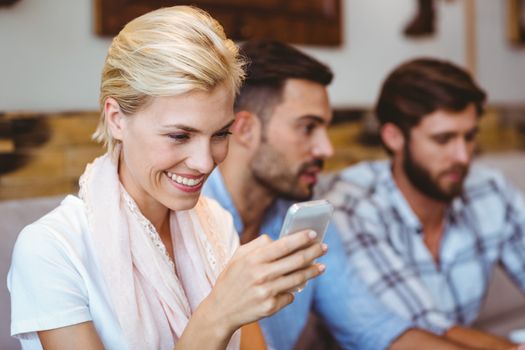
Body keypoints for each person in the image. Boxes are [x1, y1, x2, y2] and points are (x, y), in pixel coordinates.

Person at [7, 7, 328, 350]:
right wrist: (217, 314)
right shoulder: (51, 249)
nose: (205, 162)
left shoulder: (216, 223)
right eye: (179, 136)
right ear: (116, 119)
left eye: (220, 134)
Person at [202, 40, 487, 350]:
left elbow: (373, 329)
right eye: (308, 128)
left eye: (325, 128)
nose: (327, 149)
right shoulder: (189, 218)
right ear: (245, 130)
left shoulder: (304, 215)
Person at [319, 57, 525, 349]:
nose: (463, 156)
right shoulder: (353, 204)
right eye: (443, 139)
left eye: (469, 137)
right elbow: (424, 329)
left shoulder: (489, 188)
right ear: (393, 137)